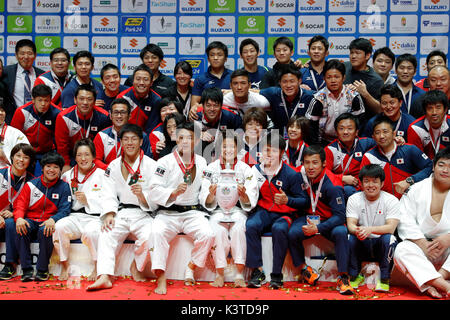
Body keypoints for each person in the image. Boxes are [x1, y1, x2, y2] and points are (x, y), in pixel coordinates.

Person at [87, 124, 157, 291]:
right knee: (106, 233)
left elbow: (157, 196)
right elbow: (108, 193)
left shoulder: (151, 165)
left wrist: (143, 196)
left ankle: (136, 266)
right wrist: (110, 213)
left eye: (134, 139)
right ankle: (104, 275)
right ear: (121, 142)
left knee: (151, 236)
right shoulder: (113, 165)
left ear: (141, 141)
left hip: (143, 213)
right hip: (122, 211)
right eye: (125, 139)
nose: (129, 143)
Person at [149, 122, 214, 295]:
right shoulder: (164, 162)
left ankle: (191, 268)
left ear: (198, 140)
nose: (185, 141)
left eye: (190, 138)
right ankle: (160, 277)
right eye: (182, 137)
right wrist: (172, 192)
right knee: (157, 232)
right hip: (168, 212)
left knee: (208, 234)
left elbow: (205, 189)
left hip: (192, 212)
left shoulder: (202, 162)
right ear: (176, 139)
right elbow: (153, 190)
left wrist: (210, 195)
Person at [246, 132, 310, 289]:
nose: (269, 154)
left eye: (273, 150)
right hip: (264, 210)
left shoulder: (292, 174)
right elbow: (250, 194)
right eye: (266, 150)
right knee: (251, 225)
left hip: (284, 214)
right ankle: (257, 271)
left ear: (282, 153)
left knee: (279, 229)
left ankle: (276, 275)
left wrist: (288, 200)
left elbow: (304, 201)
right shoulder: (255, 171)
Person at [288, 145, 354, 295]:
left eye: (315, 162)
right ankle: (305, 269)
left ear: (324, 163)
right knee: (292, 233)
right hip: (309, 217)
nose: (310, 167)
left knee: (341, 232)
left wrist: (318, 228)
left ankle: (343, 277)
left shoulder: (333, 185)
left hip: (329, 220)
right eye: (307, 162)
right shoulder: (301, 175)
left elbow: (340, 216)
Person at [199, 134, 258, 288]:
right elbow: (203, 195)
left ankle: (239, 274)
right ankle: (219, 273)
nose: (228, 150)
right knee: (218, 231)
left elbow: (251, 197)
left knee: (239, 229)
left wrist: (244, 195)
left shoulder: (246, 169)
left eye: (232, 146)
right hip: (218, 210)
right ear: (219, 148)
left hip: (238, 210)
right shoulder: (210, 169)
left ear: (237, 149)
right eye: (225, 146)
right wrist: (211, 195)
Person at [394, 147, 450, 299]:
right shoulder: (416, 189)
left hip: (448, 254)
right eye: (442, 165)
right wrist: (423, 244)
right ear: (433, 166)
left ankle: (436, 279)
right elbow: (404, 220)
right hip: (423, 249)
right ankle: (445, 285)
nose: (445, 170)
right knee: (401, 249)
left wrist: (449, 237)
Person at [13, 152, 71, 281]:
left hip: (48, 221)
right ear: (43, 167)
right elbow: (20, 206)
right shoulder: (31, 185)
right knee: (21, 228)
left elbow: (65, 210)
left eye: (56, 167)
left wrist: (53, 219)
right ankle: (26, 270)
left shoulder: (64, 186)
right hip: (31, 219)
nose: (51, 170)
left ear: (60, 170)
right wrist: (19, 219)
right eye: (48, 166)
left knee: (46, 230)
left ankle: (42, 269)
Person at [54, 139, 104, 281]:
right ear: (75, 157)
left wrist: (88, 201)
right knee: (59, 227)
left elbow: (109, 200)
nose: (83, 159)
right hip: (74, 216)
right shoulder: (67, 176)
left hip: (95, 217)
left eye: (87, 154)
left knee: (91, 233)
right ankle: (64, 264)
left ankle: (97, 266)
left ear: (93, 156)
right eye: (79, 155)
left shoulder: (103, 175)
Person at [346, 164, 400, 292]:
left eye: (375, 181)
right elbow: (351, 224)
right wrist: (357, 230)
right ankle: (354, 276)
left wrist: (369, 230)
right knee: (348, 236)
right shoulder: (354, 199)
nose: (370, 185)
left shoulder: (391, 200)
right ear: (361, 183)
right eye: (366, 181)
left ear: (382, 184)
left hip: (380, 243)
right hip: (362, 240)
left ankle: (384, 279)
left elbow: (391, 228)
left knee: (390, 238)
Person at [360, 115, 433, 199]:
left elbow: (429, 166)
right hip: (383, 203)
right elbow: (363, 182)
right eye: (377, 133)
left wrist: (410, 180)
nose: (382, 136)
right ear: (373, 137)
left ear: (394, 133)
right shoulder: (369, 156)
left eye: (385, 131)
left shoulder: (409, 149)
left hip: (409, 199)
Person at [306, 59, 365, 146]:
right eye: (329, 77)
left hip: (348, 141)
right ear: (324, 78)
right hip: (323, 142)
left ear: (343, 78)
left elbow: (360, 123)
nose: (333, 80)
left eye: (336, 77)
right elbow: (311, 127)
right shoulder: (318, 99)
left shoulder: (353, 96)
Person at [55, 84, 111, 173]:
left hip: (95, 157)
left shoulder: (103, 116)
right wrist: (65, 164)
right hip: (72, 156)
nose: (85, 102)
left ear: (94, 101)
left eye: (89, 99)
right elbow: (62, 146)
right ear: (75, 100)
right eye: (81, 99)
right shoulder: (63, 117)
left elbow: (104, 144)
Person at [0, 144, 35, 280]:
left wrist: (14, 213)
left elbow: (32, 207)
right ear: (12, 157)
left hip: (14, 220)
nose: (21, 160)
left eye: (26, 157)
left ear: (30, 161)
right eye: (18, 156)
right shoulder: (1, 174)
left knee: (11, 223)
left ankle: (9, 264)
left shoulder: (32, 181)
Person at [11, 84, 62, 175]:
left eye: (46, 100)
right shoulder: (22, 112)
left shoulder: (57, 113)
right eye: (40, 100)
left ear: (51, 100)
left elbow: (60, 139)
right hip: (26, 152)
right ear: (33, 100)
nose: (43, 104)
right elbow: (13, 137)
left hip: (48, 152)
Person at [324, 113, 376, 198]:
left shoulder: (365, 143)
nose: (345, 132)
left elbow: (384, 143)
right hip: (342, 188)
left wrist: (396, 140)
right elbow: (324, 174)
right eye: (341, 129)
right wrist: (341, 178)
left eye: (350, 128)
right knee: (347, 190)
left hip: (363, 185)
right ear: (336, 132)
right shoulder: (330, 150)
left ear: (356, 132)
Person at [93, 98, 152, 170]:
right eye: (116, 112)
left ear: (129, 115)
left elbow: (147, 161)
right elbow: (95, 160)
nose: (119, 116)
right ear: (111, 116)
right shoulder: (102, 136)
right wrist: (110, 170)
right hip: (107, 175)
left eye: (123, 112)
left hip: (134, 175)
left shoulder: (141, 136)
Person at [260, 65, 314, 136]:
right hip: (278, 138)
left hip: (302, 138)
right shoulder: (273, 93)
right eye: (284, 82)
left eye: (292, 81)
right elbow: (254, 92)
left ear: (299, 81)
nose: (288, 85)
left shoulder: (310, 96)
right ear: (279, 82)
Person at [1, 39, 45, 124]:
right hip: (12, 119)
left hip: (36, 120)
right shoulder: (6, 72)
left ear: (35, 55)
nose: (26, 57)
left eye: (29, 53)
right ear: (16, 55)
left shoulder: (42, 75)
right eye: (22, 53)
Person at [189, 41, 233, 120]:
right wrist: (194, 108)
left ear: (226, 58)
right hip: (208, 119)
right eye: (212, 55)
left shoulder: (233, 76)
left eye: (219, 55)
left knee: (231, 131)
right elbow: (194, 103)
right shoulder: (200, 79)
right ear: (208, 59)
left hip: (230, 118)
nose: (215, 58)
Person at [344, 38, 384, 122]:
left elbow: (379, 110)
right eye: (351, 53)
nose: (353, 56)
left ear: (367, 55)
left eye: (357, 53)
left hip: (362, 125)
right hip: (340, 120)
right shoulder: (343, 67)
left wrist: (365, 94)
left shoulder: (376, 80)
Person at [194, 87, 242, 154]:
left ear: (221, 105)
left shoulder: (231, 117)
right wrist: (199, 134)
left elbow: (241, 136)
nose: (212, 109)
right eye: (208, 105)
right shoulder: (195, 116)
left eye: (216, 105)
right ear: (202, 105)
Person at [117, 64, 162, 134]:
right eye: (138, 79)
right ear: (133, 81)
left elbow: (152, 127)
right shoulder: (123, 97)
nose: (141, 83)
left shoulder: (156, 100)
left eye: (145, 79)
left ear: (151, 83)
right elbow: (119, 123)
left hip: (145, 139)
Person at [408, 90, 450, 160]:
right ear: (425, 110)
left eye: (438, 107)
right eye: (430, 108)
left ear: (445, 109)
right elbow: (416, 159)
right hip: (425, 166)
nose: (434, 112)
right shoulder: (415, 128)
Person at [0, 102, 30, 168]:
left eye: (2, 110)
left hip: (9, 173)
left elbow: (27, 155)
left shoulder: (16, 133)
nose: (0, 113)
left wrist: (5, 157)